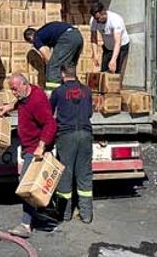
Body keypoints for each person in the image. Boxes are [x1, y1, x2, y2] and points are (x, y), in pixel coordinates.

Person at [0, 73, 57, 238]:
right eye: (11, 90)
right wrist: (9, 107)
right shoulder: (27, 94)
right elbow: (22, 102)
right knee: (31, 185)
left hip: (35, 148)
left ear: (24, 84)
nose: (13, 92)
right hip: (29, 146)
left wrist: (41, 146)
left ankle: (26, 224)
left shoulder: (37, 101)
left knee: (26, 186)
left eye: (15, 89)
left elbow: (50, 123)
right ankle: (43, 213)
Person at [50, 64, 93, 223]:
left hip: (66, 136)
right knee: (84, 174)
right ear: (75, 73)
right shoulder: (87, 90)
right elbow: (89, 112)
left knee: (65, 175)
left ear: (62, 74)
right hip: (85, 134)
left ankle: (65, 214)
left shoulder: (58, 92)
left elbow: (49, 114)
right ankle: (86, 214)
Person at [23, 22, 83, 90]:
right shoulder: (45, 33)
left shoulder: (36, 37)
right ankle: (76, 92)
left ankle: (52, 93)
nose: (33, 44)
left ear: (30, 38)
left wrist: (49, 69)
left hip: (67, 38)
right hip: (77, 36)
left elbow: (47, 56)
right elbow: (50, 54)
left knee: (53, 67)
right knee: (69, 68)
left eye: (31, 43)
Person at [89, 3, 130, 75]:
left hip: (121, 47)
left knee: (117, 72)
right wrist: (95, 54)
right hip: (108, 48)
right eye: (95, 19)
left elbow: (118, 42)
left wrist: (113, 60)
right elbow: (93, 38)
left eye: (99, 18)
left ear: (104, 13)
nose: (97, 21)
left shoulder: (115, 20)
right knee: (104, 72)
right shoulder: (94, 20)